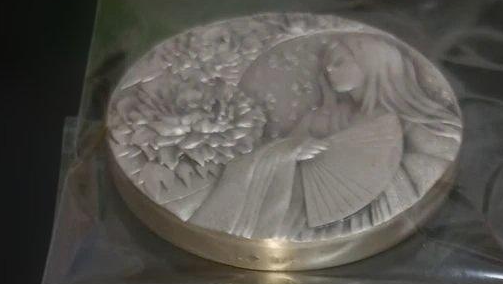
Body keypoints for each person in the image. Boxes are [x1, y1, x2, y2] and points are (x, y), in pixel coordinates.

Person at [190, 33, 461, 239]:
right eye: (327, 64)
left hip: (384, 221)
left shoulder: (410, 124)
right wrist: (290, 152)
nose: (329, 69)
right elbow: (281, 153)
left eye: (340, 62)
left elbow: (432, 165)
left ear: (372, 65)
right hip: (302, 220)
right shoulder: (319, 118)